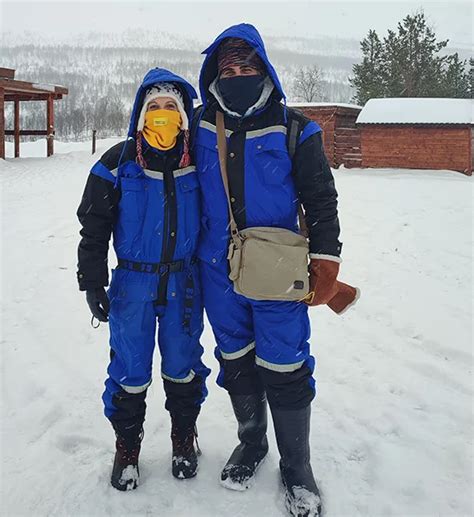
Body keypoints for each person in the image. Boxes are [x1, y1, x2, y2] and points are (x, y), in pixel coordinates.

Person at [193, 24, 356, 517]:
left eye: (247, 68)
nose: (238, 76)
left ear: (264, 70)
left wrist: (325, 262)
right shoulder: (199, 125)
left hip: (276, 272)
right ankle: (252, 442)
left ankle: (297, 467)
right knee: (236, 360)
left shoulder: (295, 129)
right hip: (217, 273)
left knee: (285, 364)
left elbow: (321, 201)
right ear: (214, 76)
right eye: (229, 70)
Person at [76, 68, 210, 491]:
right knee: (130, 371)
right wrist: (92, 281)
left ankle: (183, 439)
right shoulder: (116, 164)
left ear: (184, 116)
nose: (163, 114)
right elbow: (93, 228)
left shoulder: (200, 165)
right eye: (155, 107)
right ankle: (127, 448)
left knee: (183, 368)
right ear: (141, 115)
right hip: (132, 286)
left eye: (171, 107)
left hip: (184, 285)